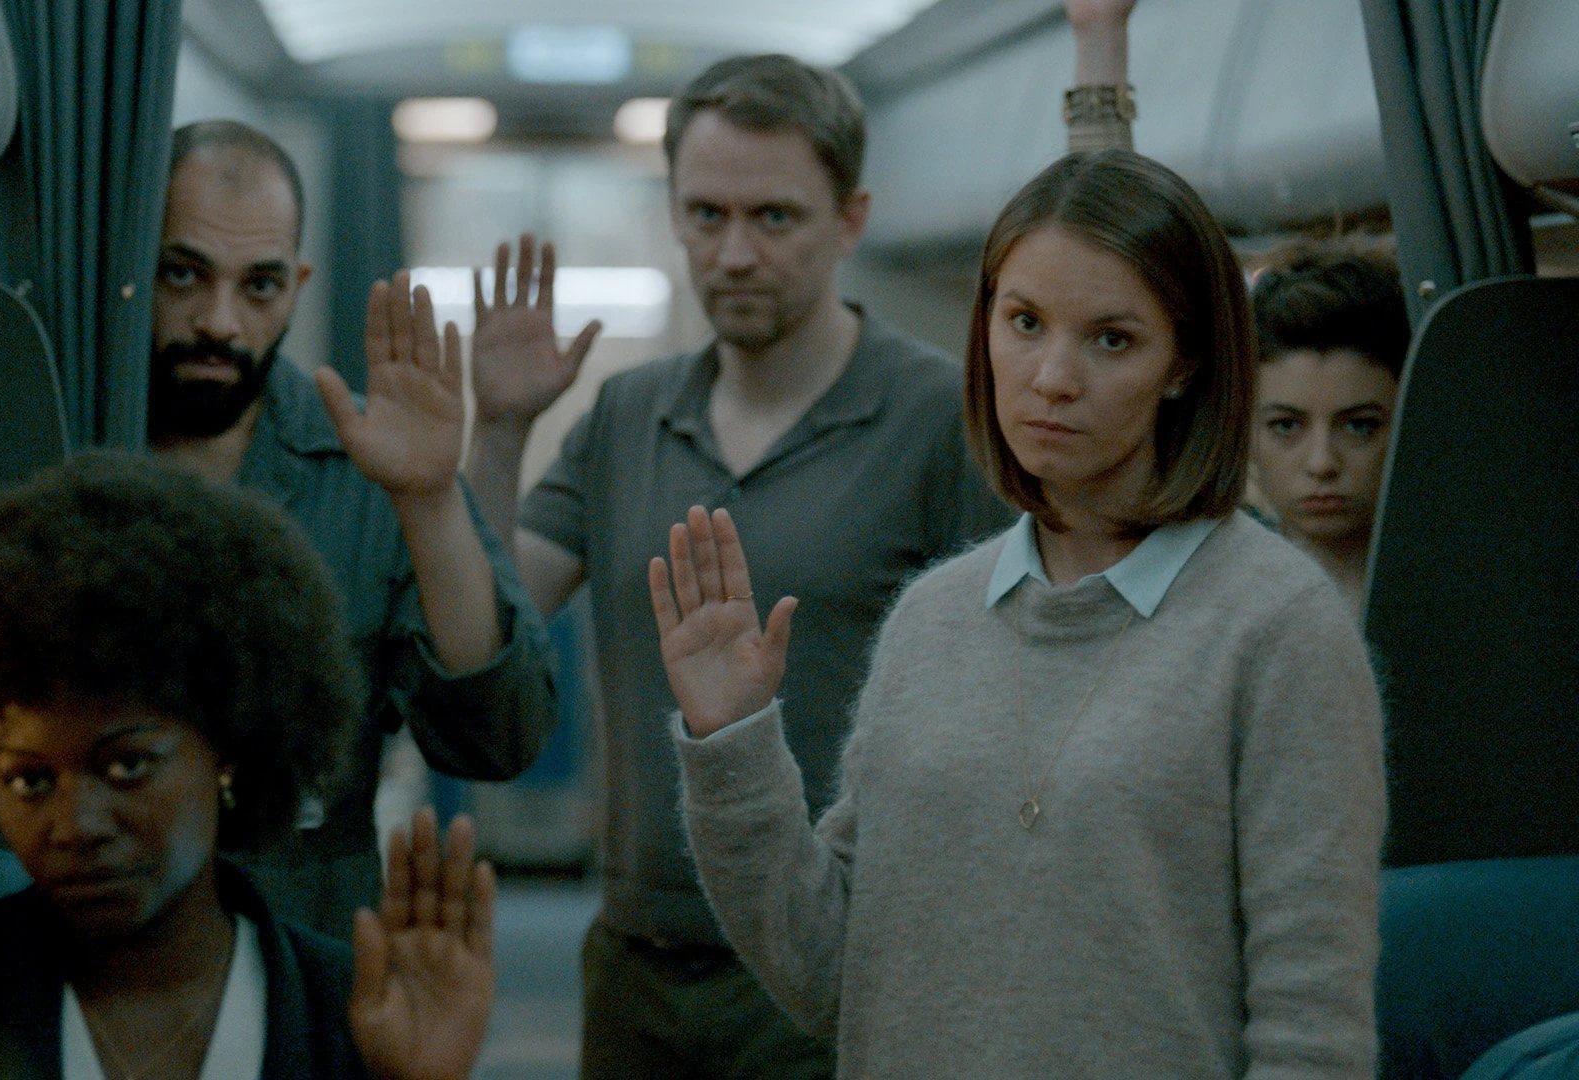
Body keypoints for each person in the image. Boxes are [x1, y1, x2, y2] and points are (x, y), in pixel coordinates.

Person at [458, 5, 1137, 1074]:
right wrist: (497, 432)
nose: (735, 253)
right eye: (707, 215)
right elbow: (488, 621)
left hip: (846, 960)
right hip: (637, 961)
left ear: (850, 220)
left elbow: (1036, 679)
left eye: (774, 217)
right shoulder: (628, 414)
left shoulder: (940, 419)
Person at [652, 151, 1386, 1078]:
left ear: (1184, 364)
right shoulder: (933, 618)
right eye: (1025, 323)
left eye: (1111, 339)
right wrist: (734, 745)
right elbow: (832, 976)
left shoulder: (1278, 626)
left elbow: (1312, 1030)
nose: (1052, 377)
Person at [0, 120, 558, 941]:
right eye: (183, 275)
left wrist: (430, 502)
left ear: (298, 286)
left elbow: (499, 740)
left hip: (296, 950)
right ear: (131, 265)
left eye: (259, 286)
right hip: (64, 939)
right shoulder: (41, 426)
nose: (219, 322)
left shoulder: (371, 466)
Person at [0, 451, 494, 1080]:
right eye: (30, 780)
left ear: (228, 749)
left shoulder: (351, 1012)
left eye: (127, 767)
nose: (77, 825)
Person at [1247, 241, 1408, 611]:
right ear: (1246, 432)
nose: (1322, 463)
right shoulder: (1211, 598)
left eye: (1360, 426)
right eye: (1285, 426)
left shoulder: (1475, 586)